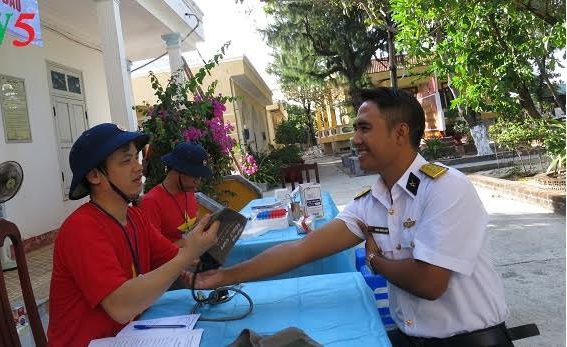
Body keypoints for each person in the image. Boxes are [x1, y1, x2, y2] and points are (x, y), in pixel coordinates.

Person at [191, 88, 527, 347]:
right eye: (355, 129)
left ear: (400, 132)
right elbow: (300, 250)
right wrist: (223, 277)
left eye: (364, 128)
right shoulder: (373, 201)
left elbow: (429, 283)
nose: (355, 139)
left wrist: (376, 262)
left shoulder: (445, 188)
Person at [47, 123, 219, 346]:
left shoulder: (135, 218)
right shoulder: (81, 229)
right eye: (126, 161)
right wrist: (187, 256)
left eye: (136, 158)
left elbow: (177, 256)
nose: (138, 167)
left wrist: (205, 245)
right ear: (94, 175)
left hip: (130, 335)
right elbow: (121, 307)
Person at [138, 142, 211, 246]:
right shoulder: (151, 203)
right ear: (177, 170)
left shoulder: (188, 191)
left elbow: (194, 220)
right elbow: (152, 250)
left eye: (200, 177)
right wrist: (189, 244)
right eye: (194, 175)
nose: (198, 181)